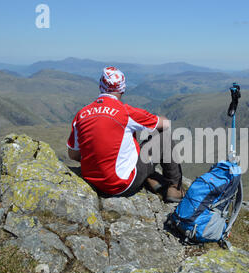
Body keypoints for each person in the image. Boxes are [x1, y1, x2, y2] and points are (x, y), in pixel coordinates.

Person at [66, 66, 185, 202]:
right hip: (121, 185)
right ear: (122, 89)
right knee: (164, 137)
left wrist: (99, 159)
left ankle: (150, 179)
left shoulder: (81, 114)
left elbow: (73, 155)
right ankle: (174, 189)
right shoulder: (125, 112)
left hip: (92, 183)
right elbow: (165, 124)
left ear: (101, 86)